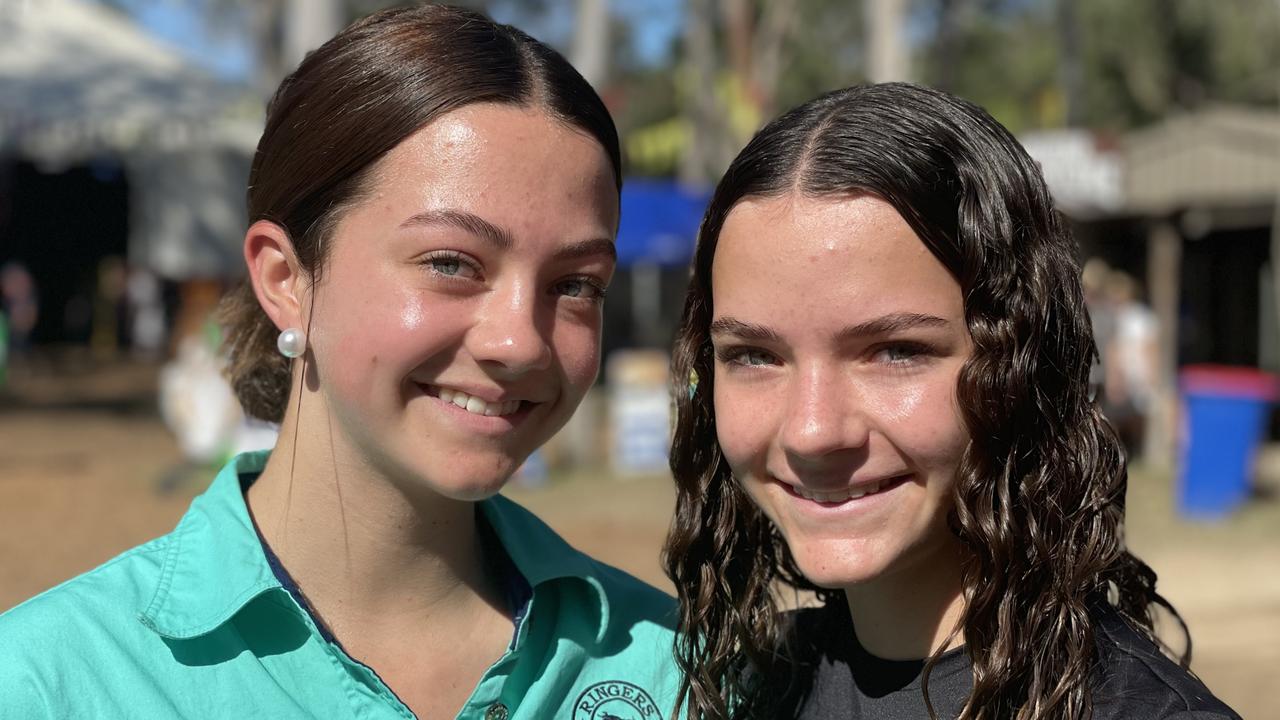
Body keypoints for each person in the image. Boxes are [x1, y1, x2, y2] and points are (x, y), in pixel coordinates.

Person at [0, 6, 679, 718]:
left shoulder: (671, 669)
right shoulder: (54, 684)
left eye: (575, 285)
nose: (521, 342)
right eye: (451, 262)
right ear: (285, 280)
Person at [663, 83, 1240, 719]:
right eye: (754, 355)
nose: (813, 431)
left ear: (1025, 365)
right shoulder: (741, 690)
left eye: (896, 352)